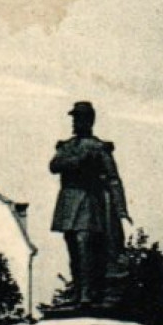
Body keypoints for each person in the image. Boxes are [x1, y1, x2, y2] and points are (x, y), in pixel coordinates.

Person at [49, 101, 130, 311]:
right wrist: (79, 160)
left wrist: (121, 209)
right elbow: (54, 165)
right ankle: (77, 291)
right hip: (68, 199)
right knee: (73, 246)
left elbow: (113, 178)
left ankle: (88, 293)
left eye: (80, 118)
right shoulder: (66, 146)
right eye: (74, 118)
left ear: (90, 120)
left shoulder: (99, 146)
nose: (76, 122)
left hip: (88, 200)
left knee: (84, 242)